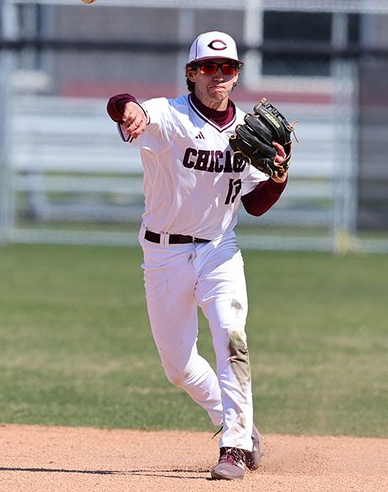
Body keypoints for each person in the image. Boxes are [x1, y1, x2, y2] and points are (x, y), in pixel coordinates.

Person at [106, 31, 289, 480]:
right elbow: (123, 105)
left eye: (228, 69)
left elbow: (254, 203)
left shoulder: (247, 133)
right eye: (208, 67)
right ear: (191, 73)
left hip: (219, 251)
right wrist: (126, 108)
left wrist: (279, 177)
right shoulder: (168, 117)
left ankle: (234, 444)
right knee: (178, 366)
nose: (218, 76)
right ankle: (235, 423)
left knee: (231, 336)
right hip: (163, 253)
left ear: (236, 75)